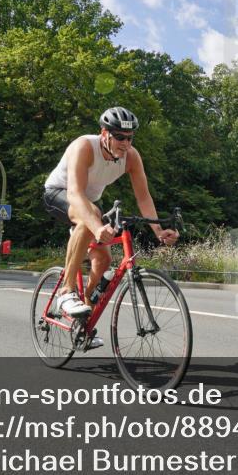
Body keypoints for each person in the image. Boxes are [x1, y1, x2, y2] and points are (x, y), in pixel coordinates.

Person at [42, 106, 179, 324]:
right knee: (91, 217)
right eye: (119, 137)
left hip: (89, 201)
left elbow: (143, 198)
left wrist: (158, 231)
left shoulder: (131, 157)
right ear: (104, 133)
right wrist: (96, 227)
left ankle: (85, 313)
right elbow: (75, 193)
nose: (125, 144)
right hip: (59, 193)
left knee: (103, 260)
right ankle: (66, 291)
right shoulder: (85, 146)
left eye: (130, 138)